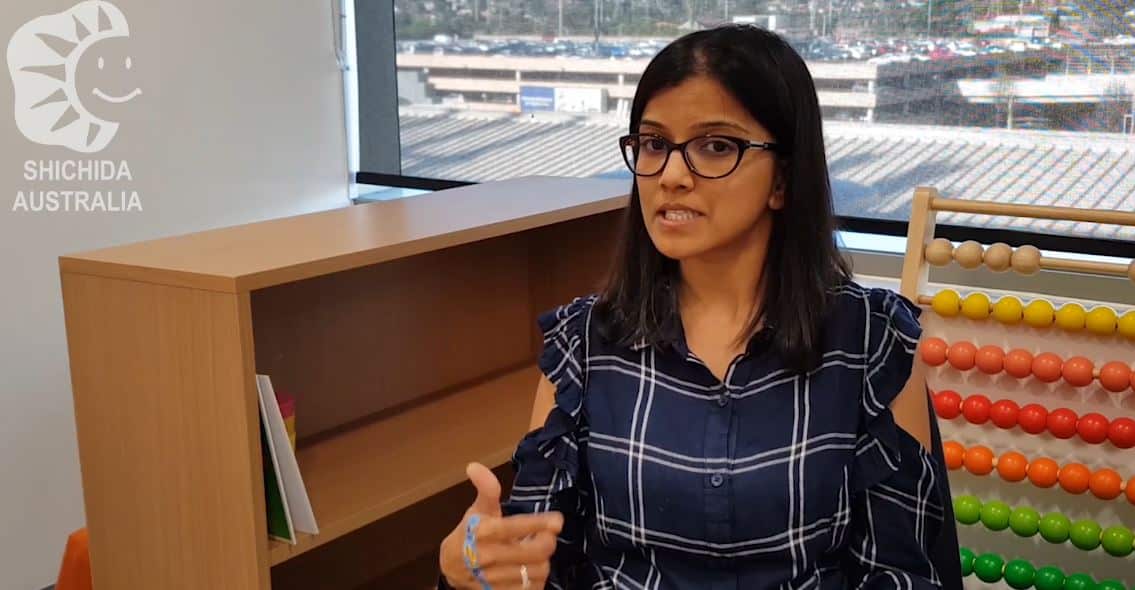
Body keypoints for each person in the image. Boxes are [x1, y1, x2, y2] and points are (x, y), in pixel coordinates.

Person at [438, 24, 961, 590]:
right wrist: (471, 568)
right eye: (655, 144)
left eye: (717, 146)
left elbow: (901, 573)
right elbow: (535, 560)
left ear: (782, 179)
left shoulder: (871, 342)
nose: (672, 176)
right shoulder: (583, 344)